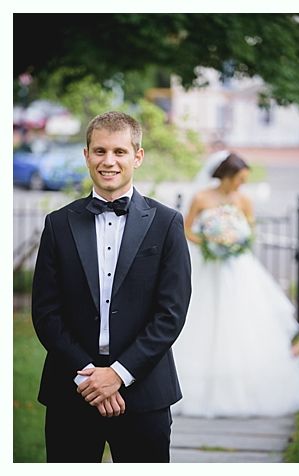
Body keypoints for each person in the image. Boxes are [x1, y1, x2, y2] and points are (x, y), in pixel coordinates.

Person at [31, 111, 191, 462]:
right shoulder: (58, 225)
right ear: (86, 155)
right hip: (71, 389)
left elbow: (171, 313)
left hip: (145, 389)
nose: (109, 161)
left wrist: (118, 375)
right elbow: (46, 313)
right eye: (100, 151)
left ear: (138, 156)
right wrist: (90, 378)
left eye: (119, 152)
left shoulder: (167, 224)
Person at [170, 153, 299, 418]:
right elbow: (186, 229)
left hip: (238, 268)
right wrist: (209, 241)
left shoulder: (244, 200)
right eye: (240, 179)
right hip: (209, 267)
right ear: (227, 176)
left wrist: (234, 242)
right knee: (203, 319)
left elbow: (250, 231)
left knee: (242, 320)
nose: (242, 185)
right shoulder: (202, 198)